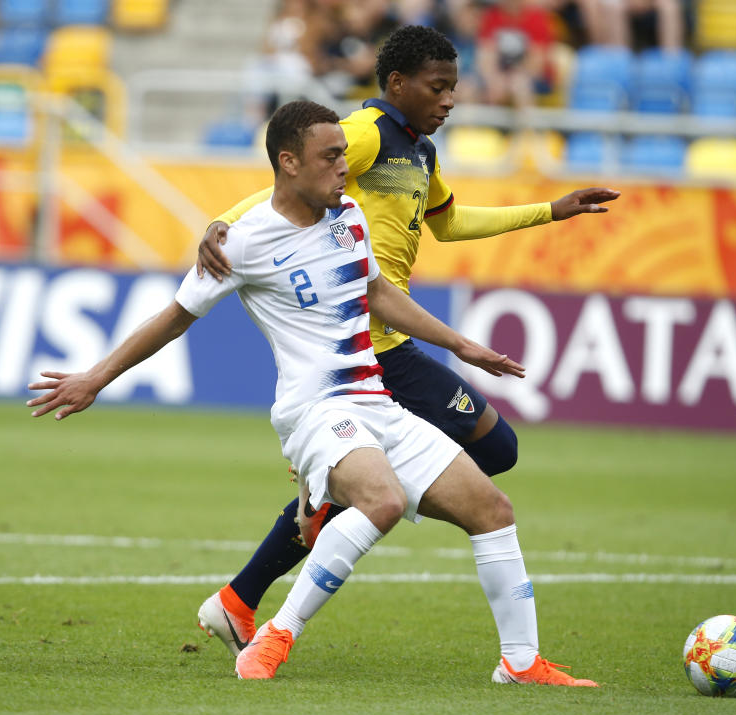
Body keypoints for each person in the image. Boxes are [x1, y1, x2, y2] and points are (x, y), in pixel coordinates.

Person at [27, 100, 598, 686]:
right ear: (288, 162)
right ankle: (274, 636)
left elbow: (378, 295)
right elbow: (173, 318)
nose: (343, 169)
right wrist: (95, 377)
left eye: (343, 158)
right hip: (315, 410)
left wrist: (460, 344)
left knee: (492, 510)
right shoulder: (243, 244)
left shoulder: (348, 215)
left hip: (375, 401)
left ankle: (521, 662)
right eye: (330, 158)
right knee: (382, 502)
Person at [193, 25, 619, 662]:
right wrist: (225, 220)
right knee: (480, 455)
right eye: (438, 87)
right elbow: (289, 181)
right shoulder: (365, 134)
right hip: (362, 342)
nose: (450, 100)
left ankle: (247, 588)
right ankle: (277, 560)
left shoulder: (419, 151)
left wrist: (548, 211)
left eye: (454, 87)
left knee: (489, 451)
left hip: (391, 334)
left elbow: (448, 225)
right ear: (397, 84)